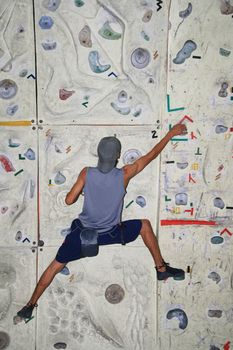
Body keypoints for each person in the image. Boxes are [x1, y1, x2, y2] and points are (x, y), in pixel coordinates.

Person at [17, 123, 187, 320]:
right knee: (145, 226)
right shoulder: (125, 174)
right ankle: (161, 269)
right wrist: (170, 134)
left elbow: (68, 200)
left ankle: (30, 306)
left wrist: (84, 191)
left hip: (81, 234)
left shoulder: (86, 173)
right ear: (117, 156)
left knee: (54, 266)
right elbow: (151, 155)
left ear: (98, 154)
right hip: (111, 233)